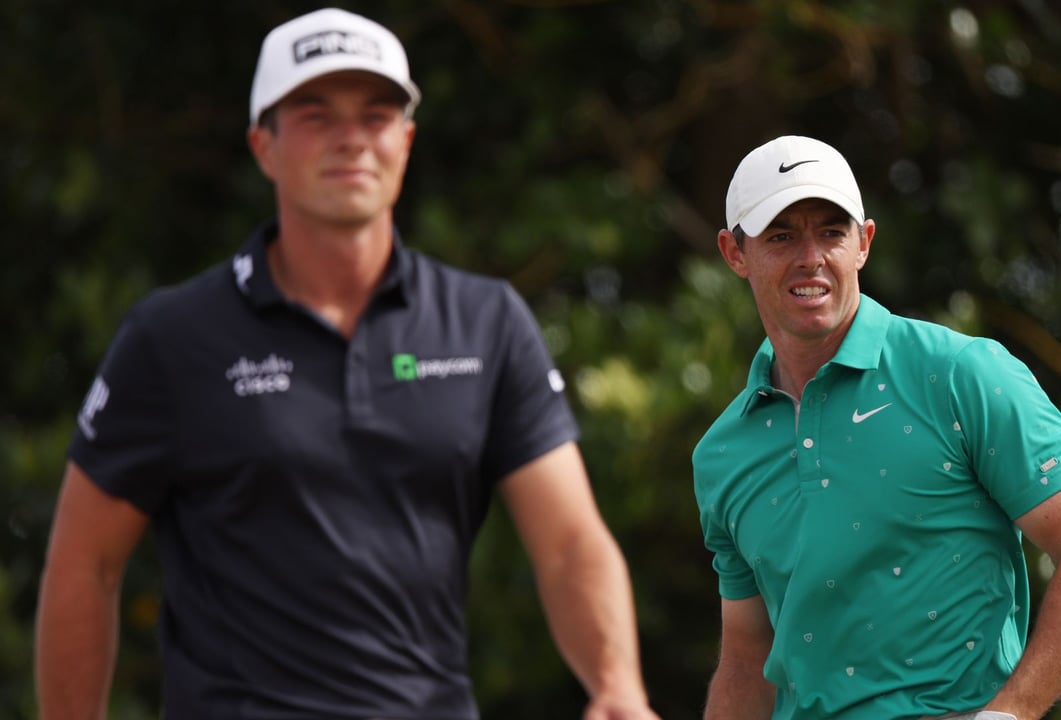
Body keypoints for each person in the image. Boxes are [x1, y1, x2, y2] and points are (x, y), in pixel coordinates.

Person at [35, 8, 658, 720]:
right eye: (315, 115)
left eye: (376, 115)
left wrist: (617, 686)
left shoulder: (486, 321)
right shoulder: (172, 337)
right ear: (262, 146)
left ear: (407, 140)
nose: (352, 139)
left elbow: (571, 542)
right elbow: (85, 565)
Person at [692, 135, 1061, 720]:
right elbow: (749, 658)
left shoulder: (962, 375)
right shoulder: (723, 452)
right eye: (781, 235)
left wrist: (1009, 715)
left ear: (864, 244)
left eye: (831, 232)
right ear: (734, 253)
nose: (811, 257)